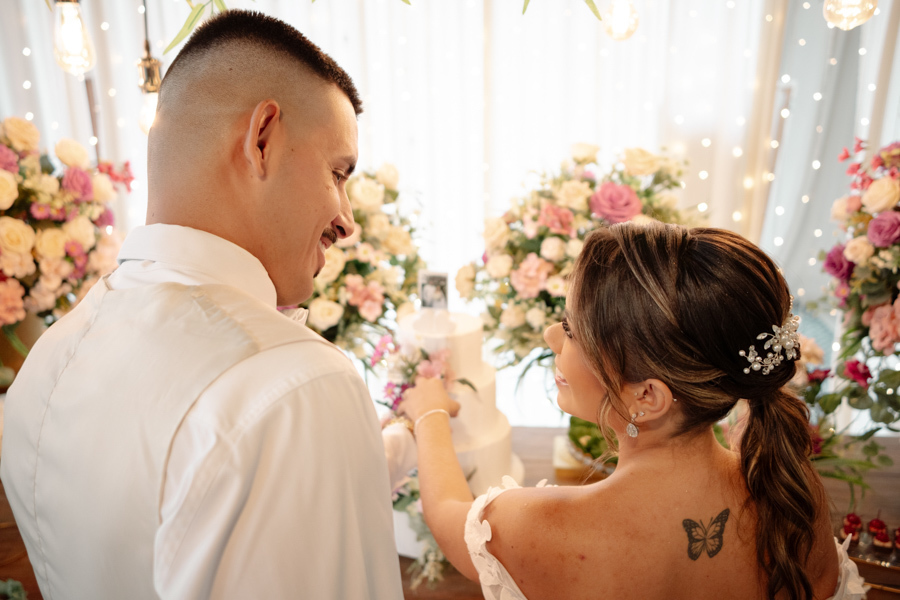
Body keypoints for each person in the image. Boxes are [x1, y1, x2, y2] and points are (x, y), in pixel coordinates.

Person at [1, 10, 404, 599]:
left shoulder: (48, 359)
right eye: (338, 172)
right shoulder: (298, 388)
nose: (346, 219)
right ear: (262, 138)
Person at [399, 222, 867, 600]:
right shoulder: (793, 497)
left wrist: (430, 412)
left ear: (648, 397)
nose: (549, 336)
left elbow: (445, 514)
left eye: (572, 329)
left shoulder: (537, 527)